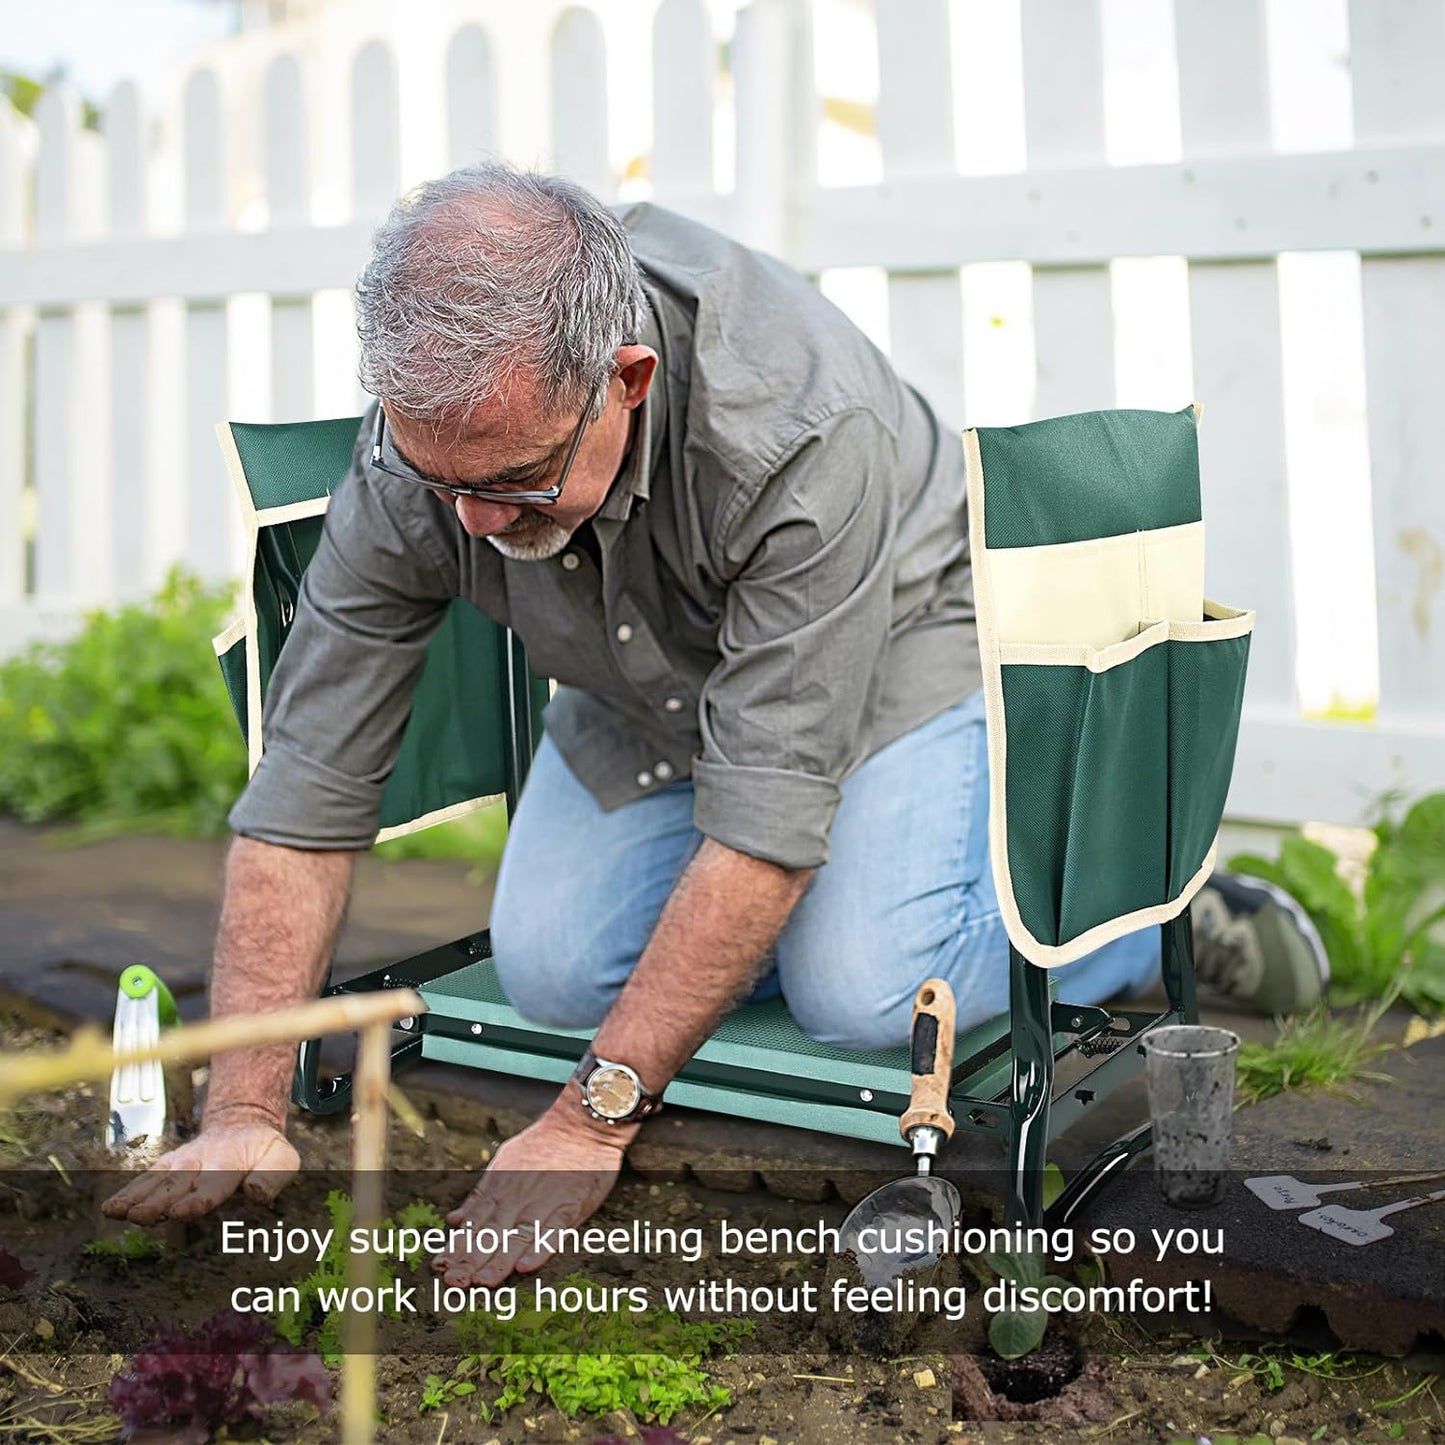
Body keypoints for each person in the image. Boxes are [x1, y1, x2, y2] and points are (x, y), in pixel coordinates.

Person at [103, 164, 1327, 1282]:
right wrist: (244, 1105)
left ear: (623, 384)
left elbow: (763, 825)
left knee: (855, 989)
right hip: (647, 679)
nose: (472, 526)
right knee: (548, 968)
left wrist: (592, 1114)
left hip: (893, 646)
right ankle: (778, 936)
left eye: (515, 483)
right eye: (443, 487)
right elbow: (305, 789)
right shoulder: (419, 464)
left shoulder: (795, 429)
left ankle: (1139, 909)